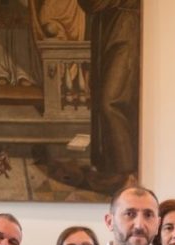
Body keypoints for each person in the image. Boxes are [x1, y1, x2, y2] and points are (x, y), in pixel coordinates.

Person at [77, 0, 140, 192]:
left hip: (126, 26)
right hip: (106, 28)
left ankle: (125, 171)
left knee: (110, 101)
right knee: (102, 102)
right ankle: (112, 169)